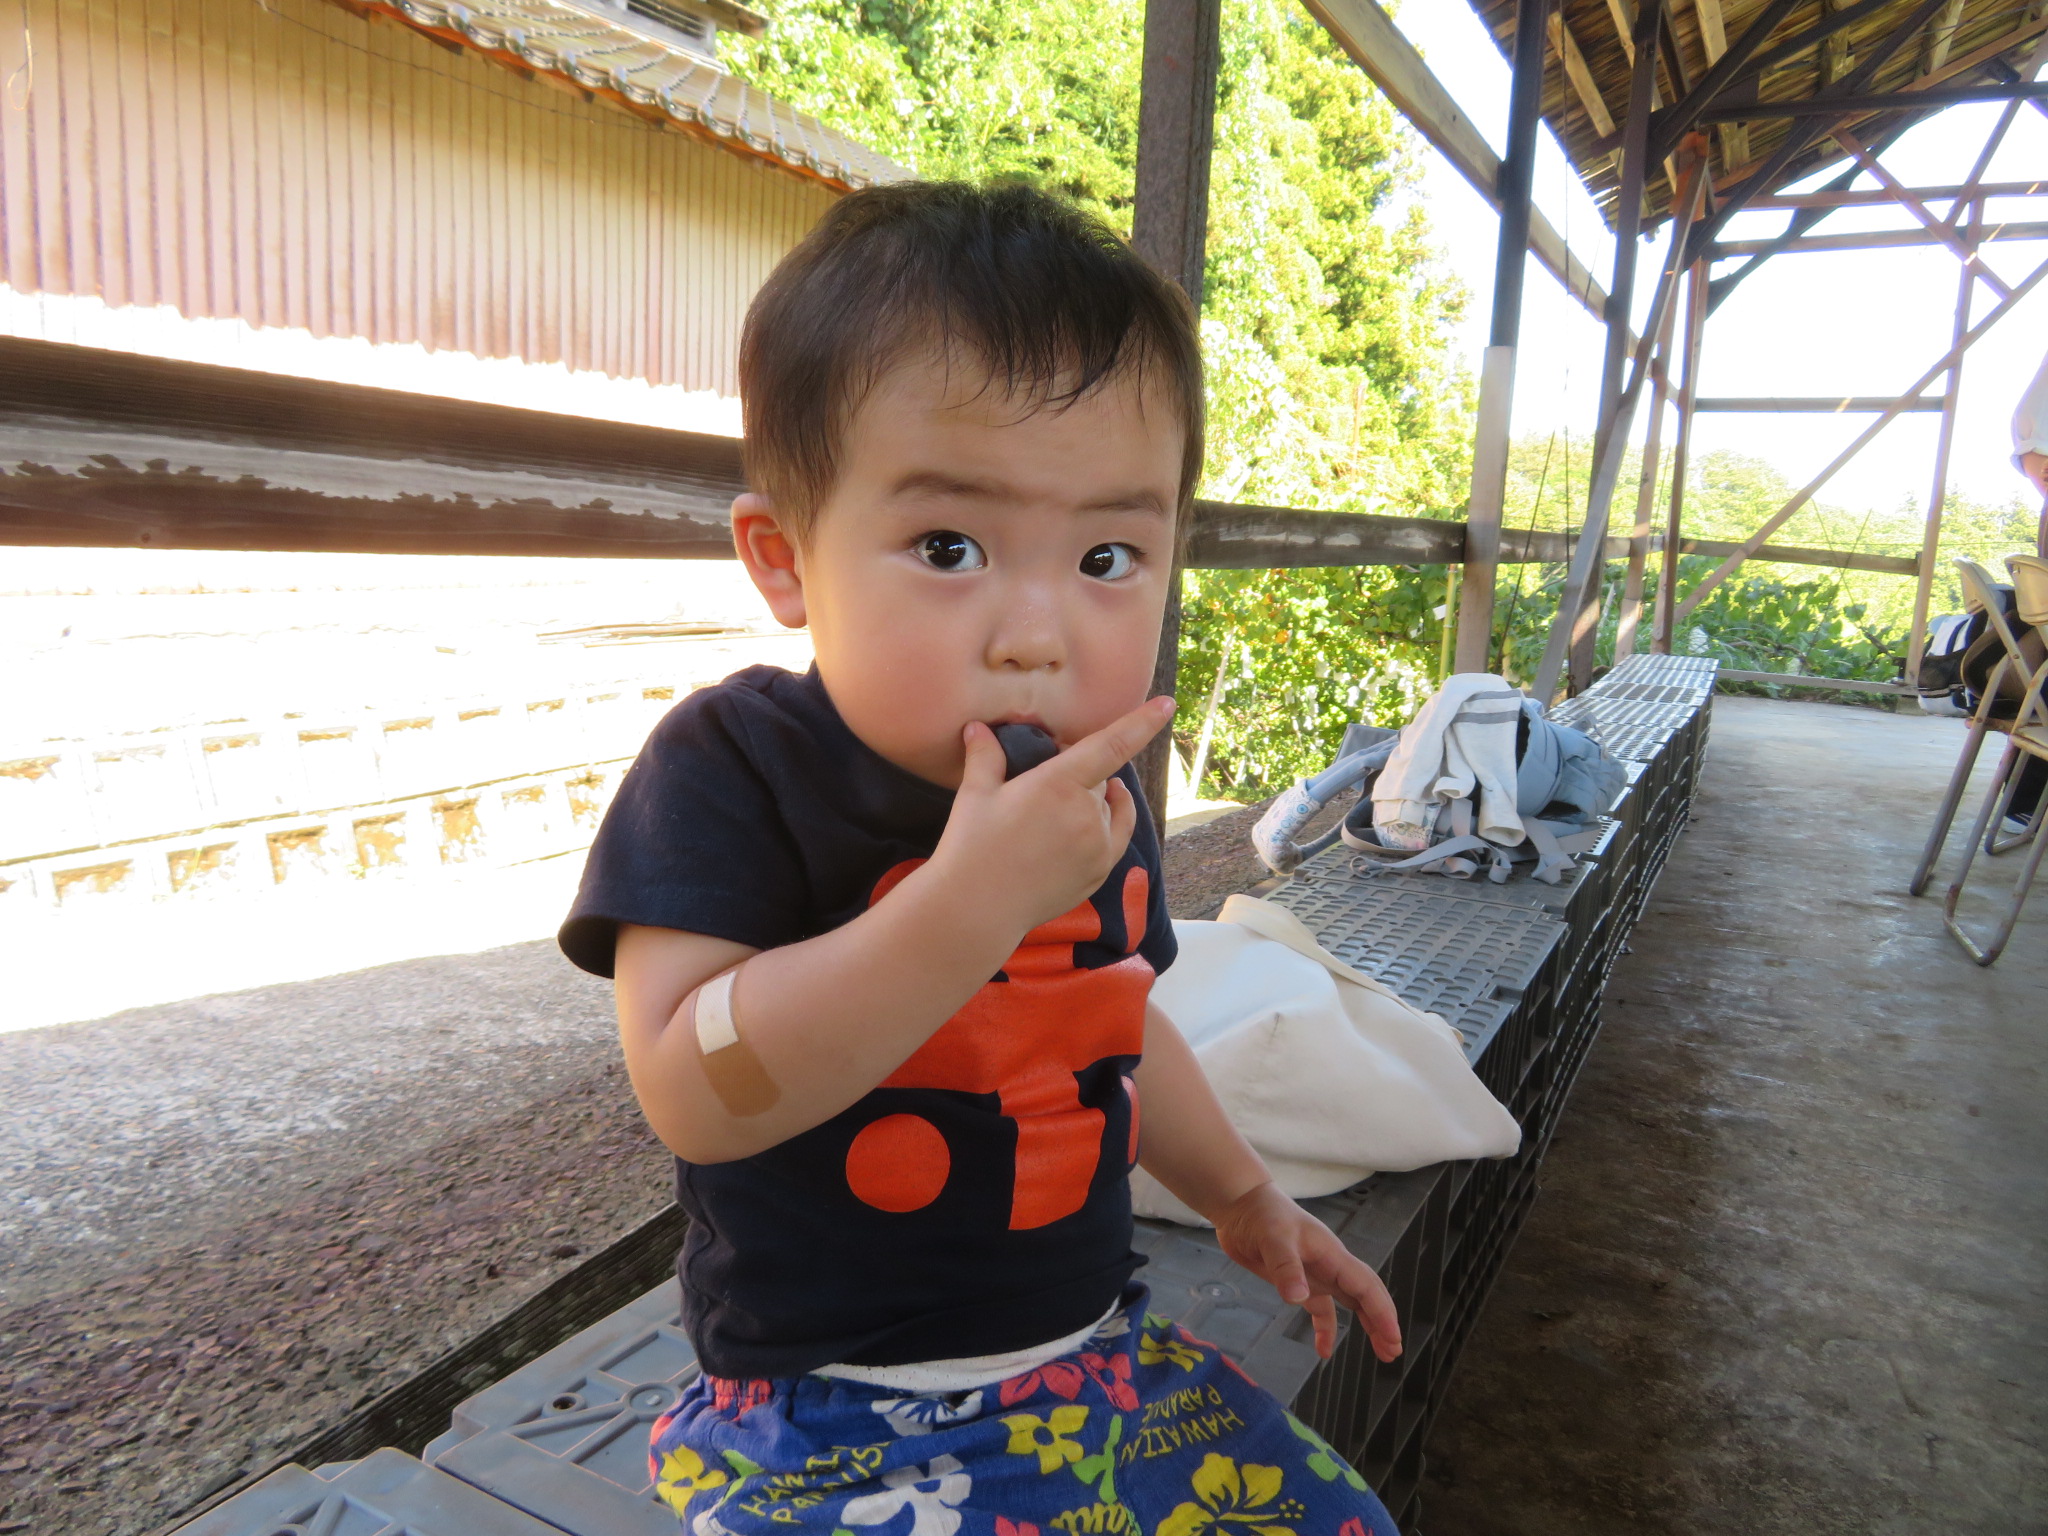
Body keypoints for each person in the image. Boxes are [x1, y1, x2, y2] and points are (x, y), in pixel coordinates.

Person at [558, 182, 1406, 1536]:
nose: (1035, 630)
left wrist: (1244, 1196)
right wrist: (965, 908)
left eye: (1109, 554)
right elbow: (693, 1087)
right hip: (823, 1413)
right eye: (950, 547)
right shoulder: (735, 767)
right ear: (785, 559)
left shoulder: (1087, 794)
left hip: (1087, 1366)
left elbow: (1117, 1022)